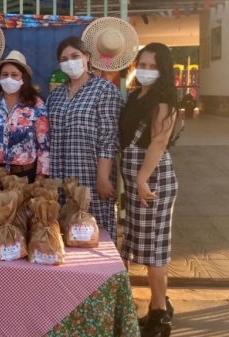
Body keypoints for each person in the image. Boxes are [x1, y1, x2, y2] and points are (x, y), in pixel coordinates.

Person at [119, 43, 179, 337]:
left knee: (155, 250)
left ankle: (159, 316)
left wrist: (143, 178)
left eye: (153, 66)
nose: (146, 70)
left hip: (152, 181)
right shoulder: (135, 96)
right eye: (142, 64)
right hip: (136, 183)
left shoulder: (164, 101)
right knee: (143, 245)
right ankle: (160, 303)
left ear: (163, 70)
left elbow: (158, 143)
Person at [46, 36, 123, 243]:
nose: (70, 61)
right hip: (60, 180)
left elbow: (109, 137)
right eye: (64, 58)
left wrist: (103, 178)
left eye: (75, 56)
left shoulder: (104, 90)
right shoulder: (55, 95)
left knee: (94, 236)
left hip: (91, 179)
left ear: (87, 57)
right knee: (65, 236)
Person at [0, 50, 50, 182]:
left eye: (14, 75)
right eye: (5, 75)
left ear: (23, 78)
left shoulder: (36, 105)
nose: (9, 78)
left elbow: (43, 145)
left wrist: (41, 176)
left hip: (25, 175)